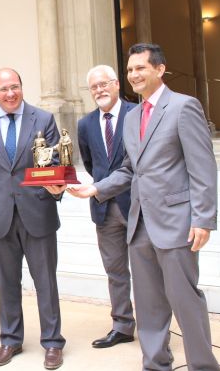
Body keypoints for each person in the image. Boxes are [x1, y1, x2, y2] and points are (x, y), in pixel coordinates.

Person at [67, 44, 220, 371]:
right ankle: (155, 364)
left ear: (160, 69)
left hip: (175, 223)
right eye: (130, 70)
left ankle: (203, 366)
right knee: (149, 306)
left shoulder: (183, 107)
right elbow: (128, 169)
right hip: (139, 225)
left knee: (185, 301)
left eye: (140, 68)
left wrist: (203, 218)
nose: (134, 75)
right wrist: (95, 188)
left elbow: (203, 167)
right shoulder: (133, 116)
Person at [0, 68, 66, 370]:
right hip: (0, 214)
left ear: (21, 87)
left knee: (46, 282)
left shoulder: (43, 119)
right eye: (4, 89)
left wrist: (58, 188)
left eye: (15, 87)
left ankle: (52, 342)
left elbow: (55, 161)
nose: (11, 93)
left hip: (38, 211)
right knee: (7, 282)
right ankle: (10, 339)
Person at [77, 65, 136, 348]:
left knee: (147, 272)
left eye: (104, 84)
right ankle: (122, 325)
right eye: (94, 87)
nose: (99, 90)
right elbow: (91, 164)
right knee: (115, 271)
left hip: (137, 205)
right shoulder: (85, 124)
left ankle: (154, 327)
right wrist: (100, 188)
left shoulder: (137, 113)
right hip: (104, 207)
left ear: (116, 84)